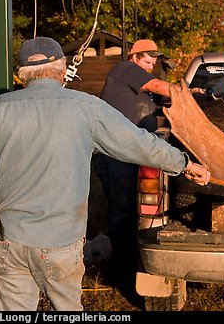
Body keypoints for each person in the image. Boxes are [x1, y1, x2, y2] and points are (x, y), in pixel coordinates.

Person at [0, 36, 211, 311]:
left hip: (7, 242)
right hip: (60, 244)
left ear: (22, 73)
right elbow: (141, 144)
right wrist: (185, 163)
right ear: (63, 67)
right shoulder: (86, 107)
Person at [92, 39, 204, 291]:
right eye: (146, 61)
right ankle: (121, 270)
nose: (150, 67)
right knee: (121, 210)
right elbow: (157, 85)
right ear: (134, 57)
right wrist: (184, 91)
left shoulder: (143, 87)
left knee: (136, 209)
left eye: (153, 63)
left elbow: (163, 101)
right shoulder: (124, 69)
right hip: (115, 153)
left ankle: (134, 257)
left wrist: (190, 100)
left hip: (135, 152)